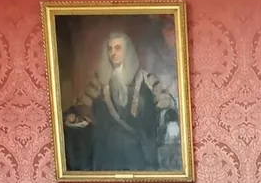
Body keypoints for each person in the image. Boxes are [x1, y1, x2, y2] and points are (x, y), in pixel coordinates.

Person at [64, 31, 180, 172]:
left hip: (139, 148)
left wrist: (171, 121)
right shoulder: (99, 82)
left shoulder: (147, 79)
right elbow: (83, 108)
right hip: (105, 150)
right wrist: (74, 116)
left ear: (127, 51)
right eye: (110, 49)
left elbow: (166, 105)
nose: (113, 53)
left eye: (118, 48)